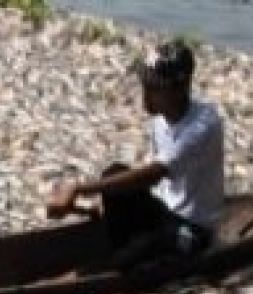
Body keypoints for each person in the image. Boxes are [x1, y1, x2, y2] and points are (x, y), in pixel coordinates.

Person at [47, 39, 225, 269]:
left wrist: (78, 189)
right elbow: (154, 183)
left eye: (155, 88)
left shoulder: (204, 124)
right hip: (163, 213)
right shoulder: (161, 119)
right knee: (115, 172)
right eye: (145, 86)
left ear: (181, 88)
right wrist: (98, 207)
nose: (146, 96)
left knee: (128, 259)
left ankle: (121, 261)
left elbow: (154, 174)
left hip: (191, 230)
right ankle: (128, 250)